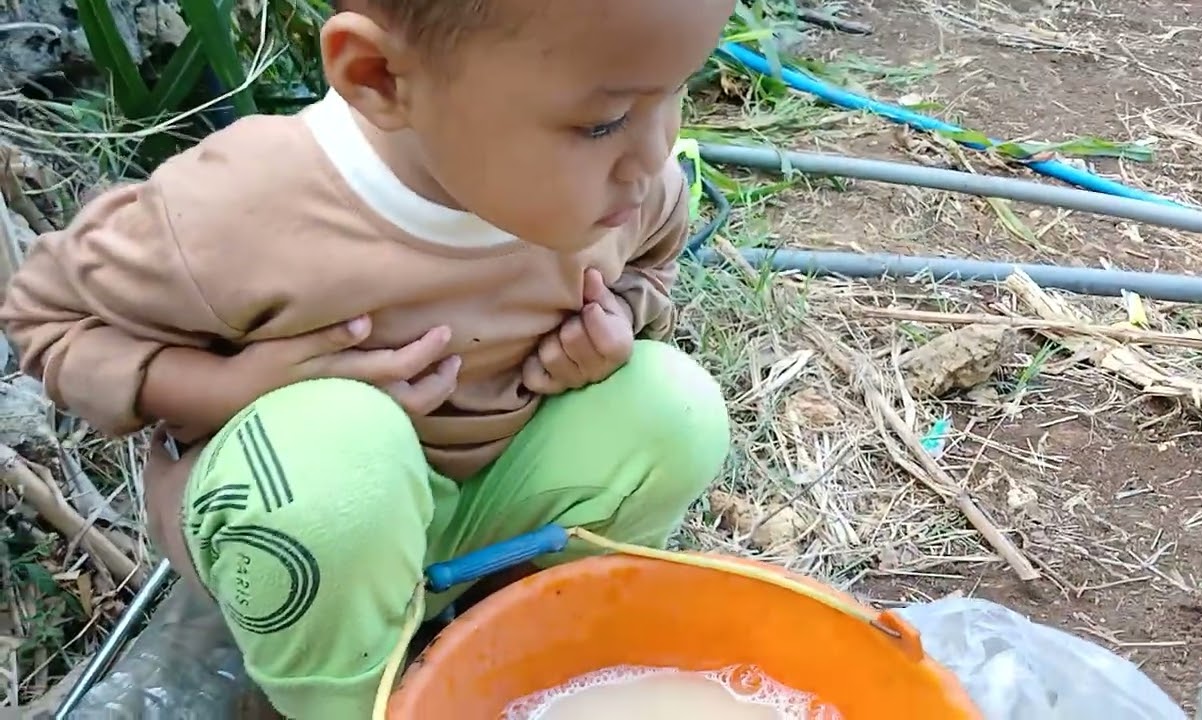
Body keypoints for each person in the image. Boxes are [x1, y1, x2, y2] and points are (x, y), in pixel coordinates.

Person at [0, 0, 736, 716]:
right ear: (380, 75)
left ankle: (537, 629)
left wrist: (619, 324)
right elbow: (48, 319)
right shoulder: (240, 208)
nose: (652, 155)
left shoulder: (630, 187)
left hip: (490, 497)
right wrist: (231, 385)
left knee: (673, 406)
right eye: (603, 121)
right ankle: (352, 700)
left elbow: (650, 266)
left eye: (677, 92)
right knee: (336, 467)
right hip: (324, 525)